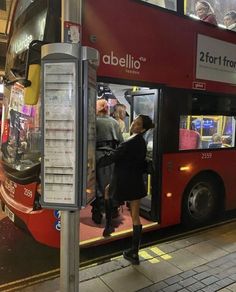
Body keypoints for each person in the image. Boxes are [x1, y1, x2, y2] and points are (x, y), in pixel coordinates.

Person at [98, 114, 154, 264]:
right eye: (134, 122)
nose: (133, 125)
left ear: (142, 128)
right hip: (136, 182)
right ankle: (134, 253)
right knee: (135, 216)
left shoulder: (130, 141)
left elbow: (114, 156)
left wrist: (96, 162)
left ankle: (109, 225)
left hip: (123, 180)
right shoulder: (142, 141)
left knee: (108, 191)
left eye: (137, 124)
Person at [91, 99, 123, 226]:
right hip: (111, 157)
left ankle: (97, 212)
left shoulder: (93, 122)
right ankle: (113, 210)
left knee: (96, 185)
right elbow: (120, 142)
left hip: (96, 157)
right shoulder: (115, 123)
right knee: (110, 185)